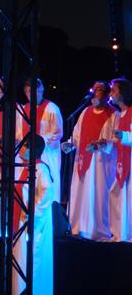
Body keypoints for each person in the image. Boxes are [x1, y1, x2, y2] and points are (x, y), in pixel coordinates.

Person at [61, 81, 117, 240]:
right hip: (82, 160)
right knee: (81, 194)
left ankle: (99, 230)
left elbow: (116, 141)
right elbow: (77, 135)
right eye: (95, 89)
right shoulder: (85, 111)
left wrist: (102, 145)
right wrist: (70, 144)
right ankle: (78, 226)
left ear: (107, 95)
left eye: (100, 90)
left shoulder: (113, 115)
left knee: (98, 196)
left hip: (100, 164)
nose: (96, 93)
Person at [13, 134, 54, 295]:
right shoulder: (26, 167)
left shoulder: (40, 168)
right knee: (23, 259)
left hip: (36, 223)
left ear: (33, 149)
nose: (21, 149)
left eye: (24, 146)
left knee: (35, 259)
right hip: (24, 220)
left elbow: (47, 194)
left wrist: (33, 213)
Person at [18, 77, 63, 203]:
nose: (30, 95)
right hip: (27, 154)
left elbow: (58, 132)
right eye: (27, 92)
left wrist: (38, 142)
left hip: (46, 154)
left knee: (45, 188)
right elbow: (19, 132)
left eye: (33, 91)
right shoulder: (23, 109)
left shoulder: (51, 108)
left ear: (40, 90)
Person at [108, 78, 132, 242]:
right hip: (122, 161)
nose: (111, 94)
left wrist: (124, 136)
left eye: (114, 90)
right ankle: (120, 233)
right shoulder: (119, 115)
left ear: (122, 93)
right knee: (116, 194)